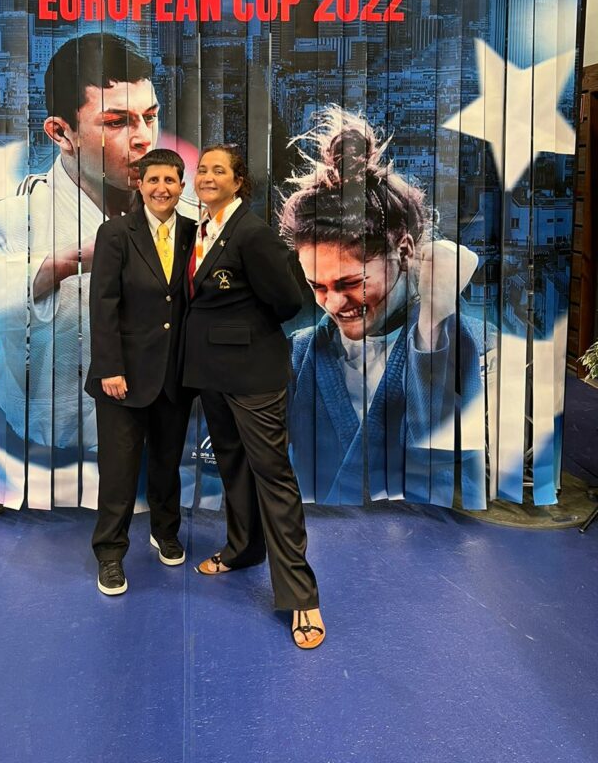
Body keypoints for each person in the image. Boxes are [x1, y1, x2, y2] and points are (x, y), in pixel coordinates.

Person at [0, 33, 163, 506]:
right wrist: (62, 264)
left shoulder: (183, 217)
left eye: (150, 116)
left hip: (158, 453)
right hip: (44, 466)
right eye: (117, 122)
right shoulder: (9, 220)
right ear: (62, 133)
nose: (144, 138)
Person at [279, 106, 491, 509]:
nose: (333, 304)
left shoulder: (459, 341)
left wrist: (434, 318)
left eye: (351, 283)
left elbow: (443, 463)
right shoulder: (300, 352)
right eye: (317, 287)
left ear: (404, 250)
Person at [183, 145, 325, 650]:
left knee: (273, 477)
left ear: (239, 181)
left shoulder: (252, 233)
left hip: (253, 375)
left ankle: (301, 595)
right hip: (211, 373)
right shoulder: (199, 230)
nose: (207, 176)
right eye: (202, 169)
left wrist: (239, 330)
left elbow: (287, 301)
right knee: (233, 467)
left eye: (218, 170)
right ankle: (243, 548)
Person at [86, 149, 195, 596]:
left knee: (168, 463)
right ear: (140, 184)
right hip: (123, 378)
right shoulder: (115, 233)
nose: (161, 188)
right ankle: (110, 553)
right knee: (119, 472)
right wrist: (110, 366)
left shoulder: (195, 234)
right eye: (153, 180)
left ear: (182, 186)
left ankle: (165, 532)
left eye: (170, 180)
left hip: (175, 375)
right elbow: (103, 304)